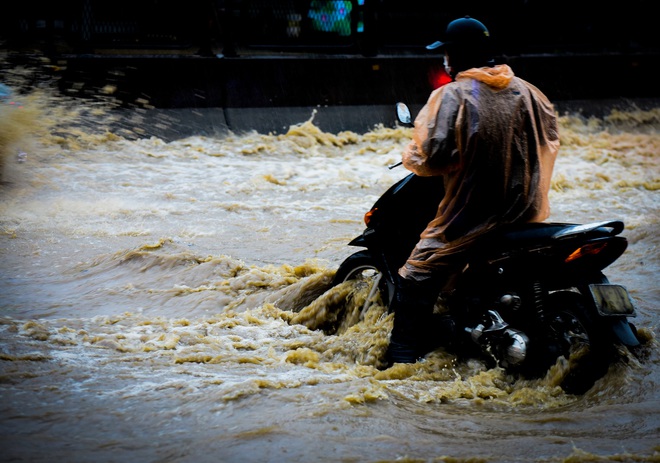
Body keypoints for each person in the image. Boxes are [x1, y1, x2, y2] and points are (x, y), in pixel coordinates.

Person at [386, 16, 560, 365]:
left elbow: (431, 155)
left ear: (456, 56)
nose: (444, 60)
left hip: (471, 214)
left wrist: (412, 155)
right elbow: (550, 136)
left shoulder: (452, 96)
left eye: (447, 53)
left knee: (418, 271)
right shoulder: (528, 92)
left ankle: (400, 361)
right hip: (524, 210)